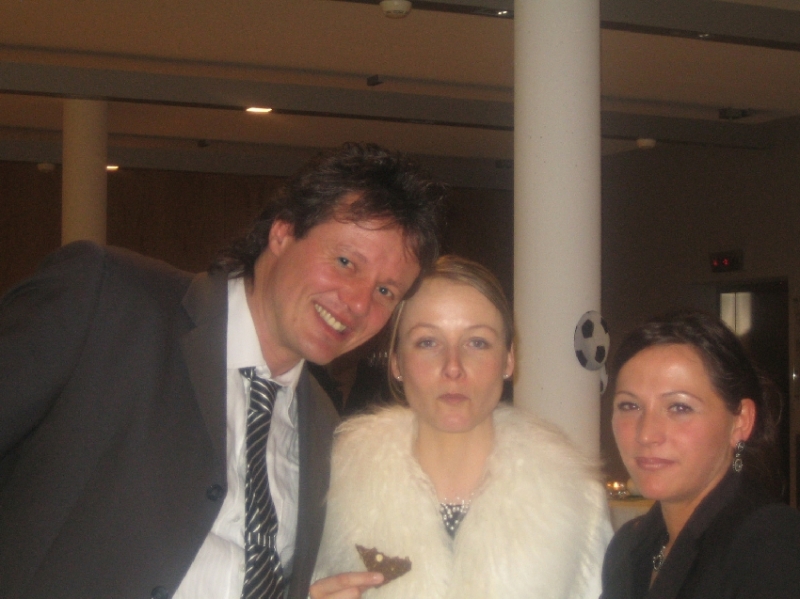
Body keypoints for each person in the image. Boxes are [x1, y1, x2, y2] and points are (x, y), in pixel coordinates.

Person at [0, 142, 445, 599]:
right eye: (346, 262)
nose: (358, 303)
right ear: (283, 232)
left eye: (386, 291)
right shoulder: (108, 299)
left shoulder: (322, 425)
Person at [310, 255, 612, 599]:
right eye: (428, 342)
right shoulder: (334, 492)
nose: (453, 367)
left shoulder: (574, 503)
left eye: (477, 342)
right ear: (396, 362)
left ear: (508, 359)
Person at [601, 309, 800, 599]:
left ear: (741, 421)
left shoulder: (769, 544)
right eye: (629, 406)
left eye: (679, 407)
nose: (646, 434)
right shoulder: (630, 545)